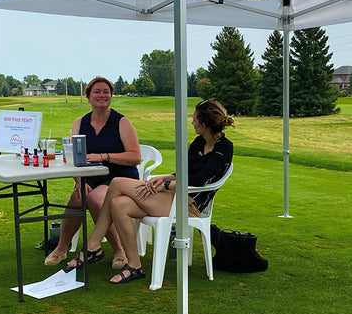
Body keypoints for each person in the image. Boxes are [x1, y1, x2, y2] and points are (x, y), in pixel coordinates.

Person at [72, 99, 234, 284]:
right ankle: (134, 265)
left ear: (204, 124)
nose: (192, 122)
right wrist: (163, 179)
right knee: (118, 204)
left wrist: (166, 185)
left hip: (189, 205)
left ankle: (92, 246)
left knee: (116, 183)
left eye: (195, 119)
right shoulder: (198, 142)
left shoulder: (224, 148)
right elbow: (183, 172)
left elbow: (201, 179)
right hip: (173, 197)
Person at [43, 76, 141, 269]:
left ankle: (118, 250)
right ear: (88, 96)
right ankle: (61, 249)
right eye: (97, 91)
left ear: (111, 96)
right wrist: (79, 181)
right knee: (78, 196)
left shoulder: (122, 122)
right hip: (90, 176)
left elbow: (135, 156)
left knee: (96, 198)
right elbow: (72, 158)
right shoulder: (80, 123)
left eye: (106, 92)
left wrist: (104, 156)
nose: (102, 95)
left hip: (120, 179)